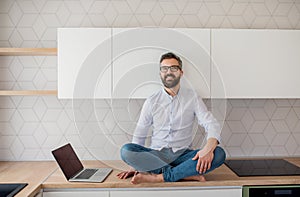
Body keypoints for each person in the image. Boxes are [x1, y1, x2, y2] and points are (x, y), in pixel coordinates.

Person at [117, 52, 226, 184]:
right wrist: (134, 164)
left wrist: (208, 148)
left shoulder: (192, 97)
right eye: (164, 69)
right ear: (160, 74)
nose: (169, 72)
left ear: (181, 72)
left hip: (184, 156)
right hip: (156, 156)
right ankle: (184, 174)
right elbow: (139, 136)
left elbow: (212, 124)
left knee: (219, 153)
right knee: (126, 151)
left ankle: (160, 177)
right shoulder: (151, 101)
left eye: (173, 68)